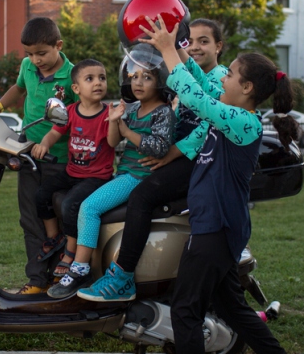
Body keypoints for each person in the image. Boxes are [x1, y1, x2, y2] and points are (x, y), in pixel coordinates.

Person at [139, 18, 304, 354]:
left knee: (186, 311)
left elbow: (196, 97)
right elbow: (203, 85)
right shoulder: (230, 112)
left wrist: (169, 51)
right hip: (215, 225)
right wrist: (181, 55)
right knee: (233, 309)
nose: (223, 78)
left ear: (246, 87)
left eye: (230, 74)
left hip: (216, 229)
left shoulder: (243, 121)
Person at [79, 19, 227, 302]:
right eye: (189, 41)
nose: (194, 47)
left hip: (198, 156)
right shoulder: (190, 73)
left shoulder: (220, 77)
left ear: (219, 46)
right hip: (178, 153)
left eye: (203, 41)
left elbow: (210, 122)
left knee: (142, 196)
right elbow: (185, 73)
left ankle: (122, 276)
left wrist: (173, 151)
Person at [48, 48, 175, 299]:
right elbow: (114, 141)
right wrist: (116, 121)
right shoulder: (133, 108)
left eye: (147, 77)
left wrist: (127, 131)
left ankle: (79, 268)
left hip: (138, 176)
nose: (138, 82)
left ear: (160, 81)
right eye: (134, 76)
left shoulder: (162, 112)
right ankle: (93, 265)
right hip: (124, 173)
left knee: (89, 207)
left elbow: (159, 148)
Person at [0, 17, 78, 294]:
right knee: (29, 218)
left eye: (41, 53)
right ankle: (37, 279)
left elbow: (78, 117)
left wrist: (52, 141)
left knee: (59, 218)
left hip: (60, 160)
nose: (35, 60)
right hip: (29, 155)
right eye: (29, 54)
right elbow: (19, 88)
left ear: (58, 46)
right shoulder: (27, 67)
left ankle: (61, 277)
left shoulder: (73, 75)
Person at [30, 59, 115, 280]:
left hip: (97, 177)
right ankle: (53, 237)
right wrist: (44, 144)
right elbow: (54, 133)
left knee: (70, 205)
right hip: (72, 172)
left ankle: (71, 252)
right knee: (41, 194)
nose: (98, 83)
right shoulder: (70, 111)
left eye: (102, 78)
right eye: (90, 79)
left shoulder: (108, 114)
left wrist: (116, 122)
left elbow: (114, 143)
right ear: (75, 89)